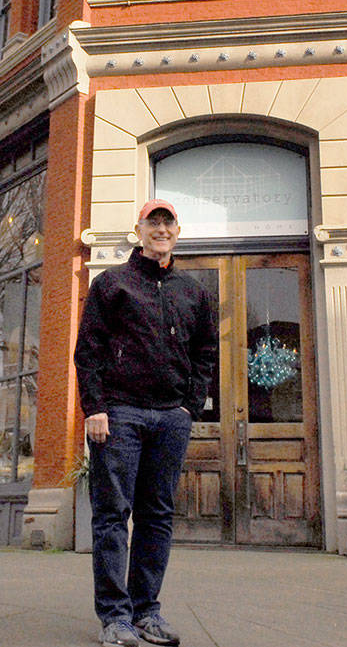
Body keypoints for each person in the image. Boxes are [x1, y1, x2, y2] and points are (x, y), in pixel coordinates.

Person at [74, 198, 218, 647]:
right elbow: (89, 349)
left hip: (170, 417)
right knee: (113, 515)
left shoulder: (194, 292)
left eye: (167, 223)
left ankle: (146, 611)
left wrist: (188, 407)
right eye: (152, 222)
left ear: (178, 231)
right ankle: (115, 617)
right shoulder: (112, 284)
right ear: (138, 231)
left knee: (157, 517)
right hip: (119, 413)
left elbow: (206, 354)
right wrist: (95, 407)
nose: (161, 229)